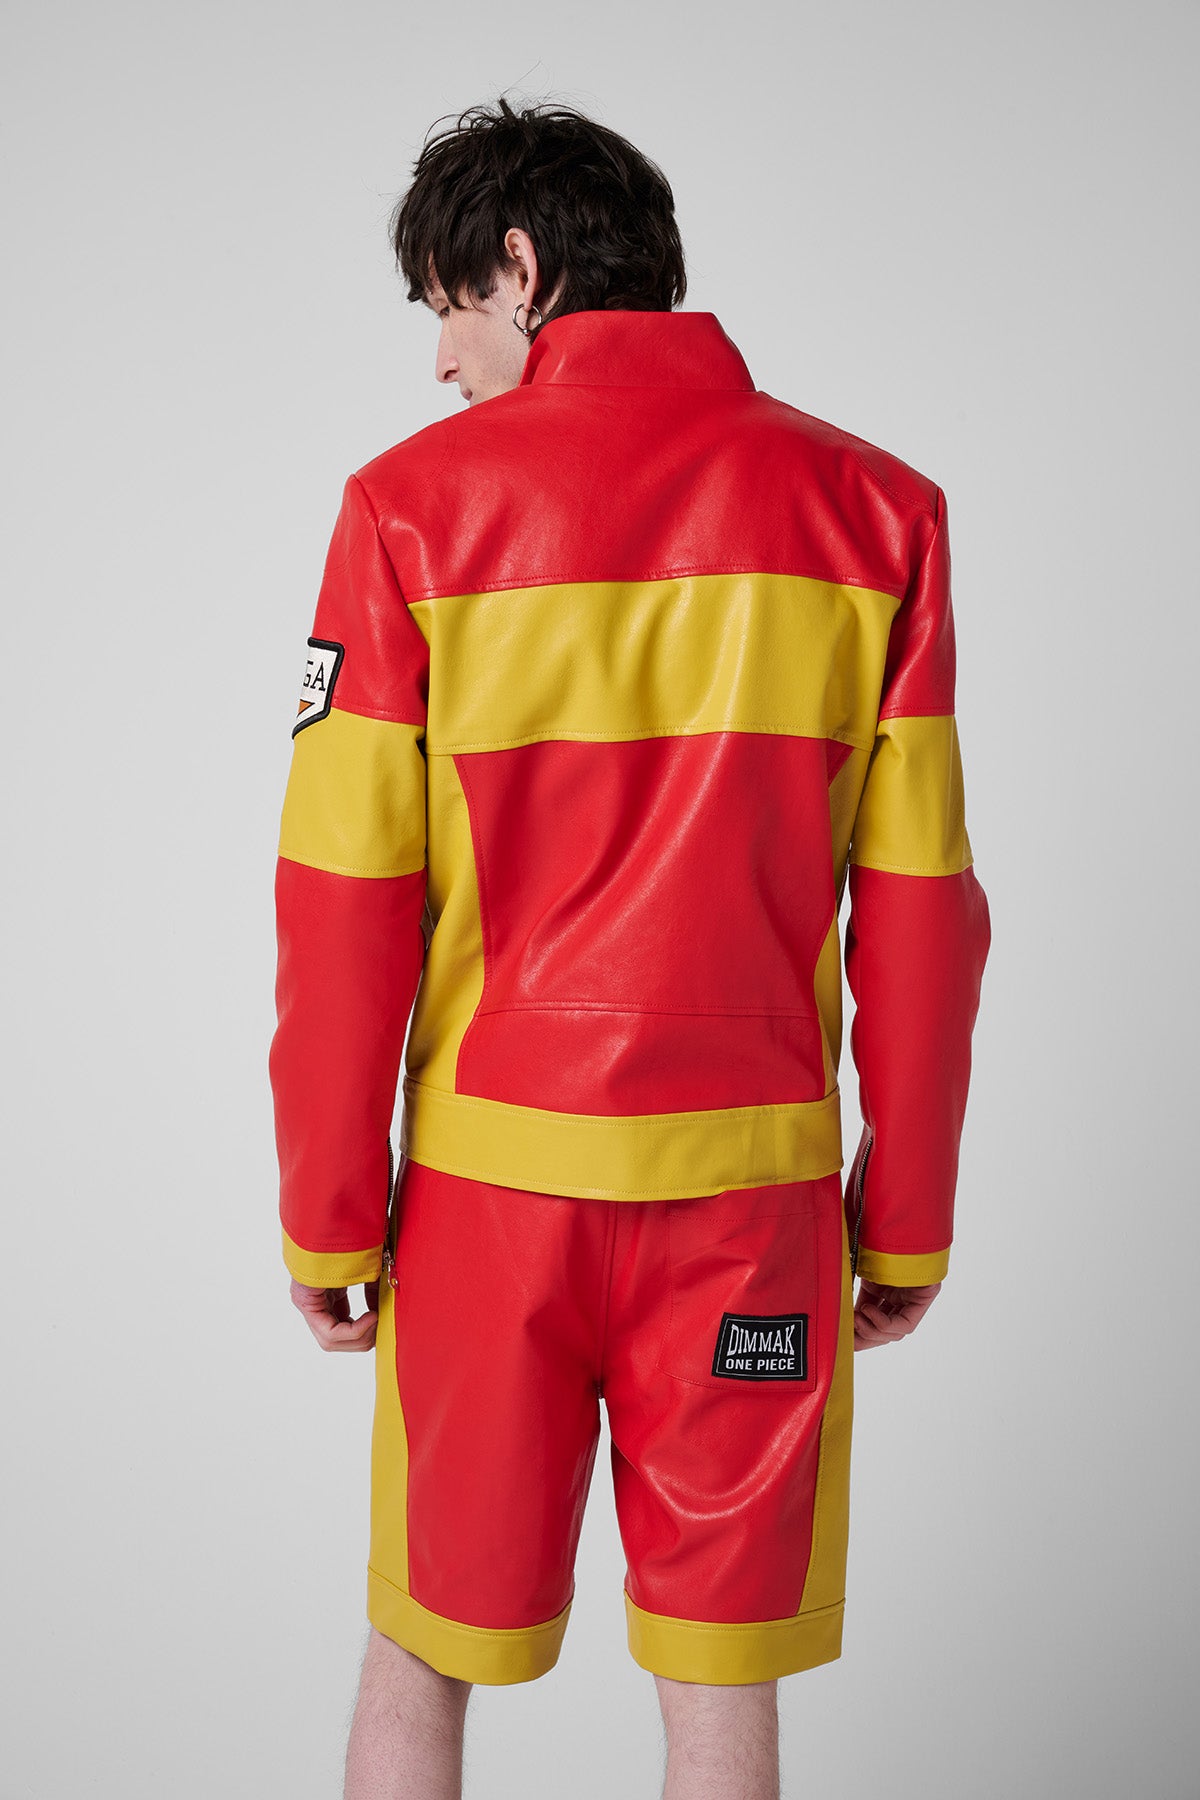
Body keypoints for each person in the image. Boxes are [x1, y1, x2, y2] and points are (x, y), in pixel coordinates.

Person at [269, 96, 991, 1800]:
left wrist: (326, 1209)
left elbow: (340, 895)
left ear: (520, 272)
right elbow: (924, 909)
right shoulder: (878, 511)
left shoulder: (405, 511)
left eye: (446, 306)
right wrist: (906, 1215)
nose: (441, 360)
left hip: (490, 1208)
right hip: (748, 1208)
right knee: (721, 1695)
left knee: (419, 1653)